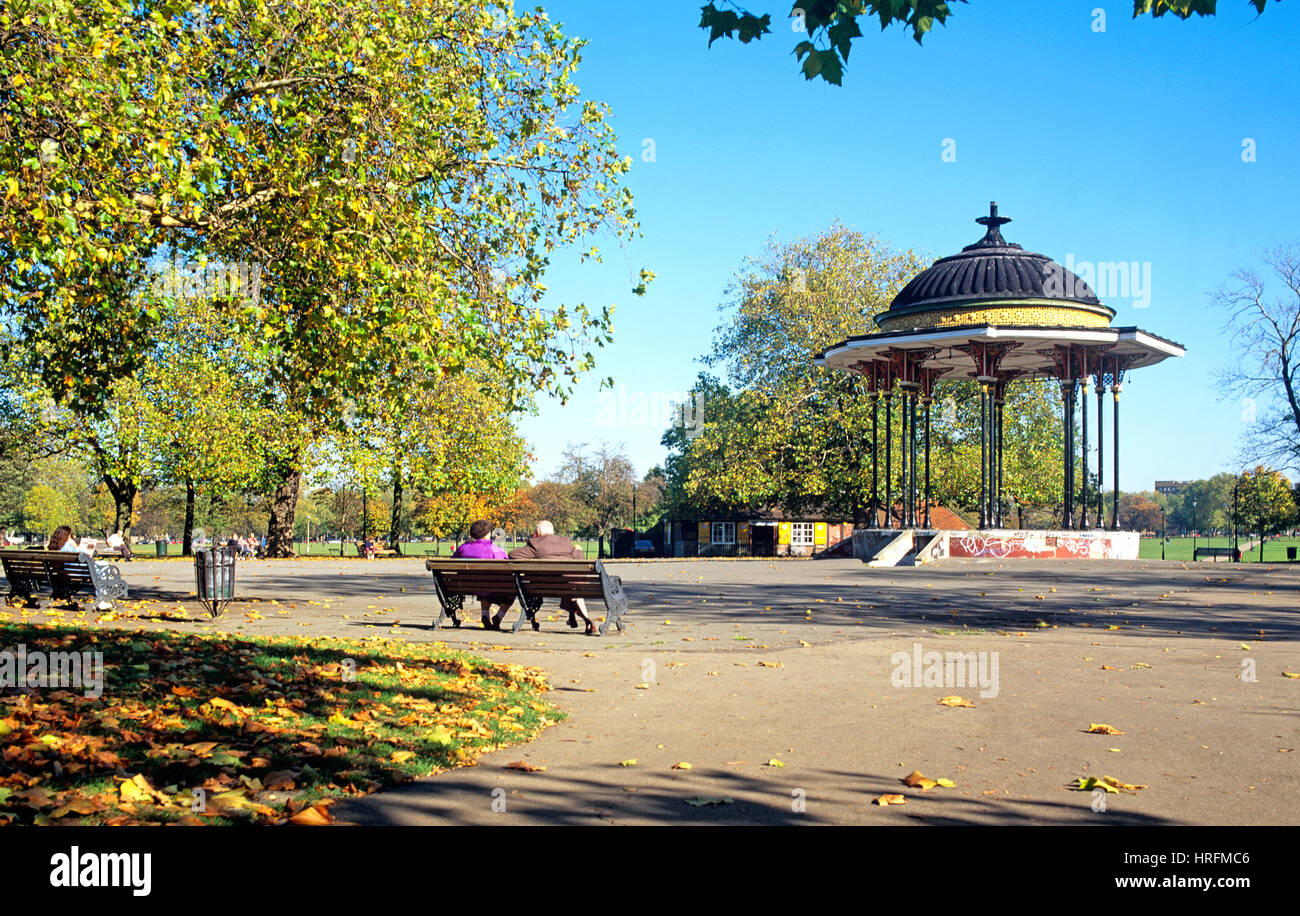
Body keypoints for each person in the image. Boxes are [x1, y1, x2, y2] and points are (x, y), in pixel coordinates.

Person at [509, 520, 599, 635]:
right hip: (568, 585)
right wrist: (578, 550)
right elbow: (579, 559)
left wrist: (532, 553)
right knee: (572, 587)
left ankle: (574, 617)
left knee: (567, 585)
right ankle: (587, 620)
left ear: (537, 532)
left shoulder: (535, 544)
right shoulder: (565, 542)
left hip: (541, 586)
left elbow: (512, 554)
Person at [451, 520, 513, 629]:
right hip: (489, 585)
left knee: (484, 583)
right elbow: (506, 566)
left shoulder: (463, 548)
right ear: (487, 534)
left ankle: (485, 615)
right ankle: (498, 616)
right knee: (511, 589)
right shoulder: (494, 550)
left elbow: (452, 561)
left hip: (464, 585)